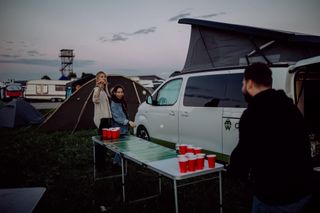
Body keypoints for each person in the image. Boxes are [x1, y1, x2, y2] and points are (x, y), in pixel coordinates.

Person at [228, 62, 313, 212]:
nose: (242, 88)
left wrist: (232, 170)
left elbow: (244, 155)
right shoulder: (290, 107)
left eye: (242, 83)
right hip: (303, 192)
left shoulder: (252, 114)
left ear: (249, 84)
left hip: (276, 197)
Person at [92, 71, 112, 170]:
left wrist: (104, 88)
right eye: (101, 77)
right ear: (97, 79)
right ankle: (100, 166)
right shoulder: (97, 89)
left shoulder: (104, 91)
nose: (103, 78)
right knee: (101, 143)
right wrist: (99, 88)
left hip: (107, 119)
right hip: (102, 120)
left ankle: (103, 162)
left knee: (105, 142)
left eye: (104, 77)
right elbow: (95, 100)